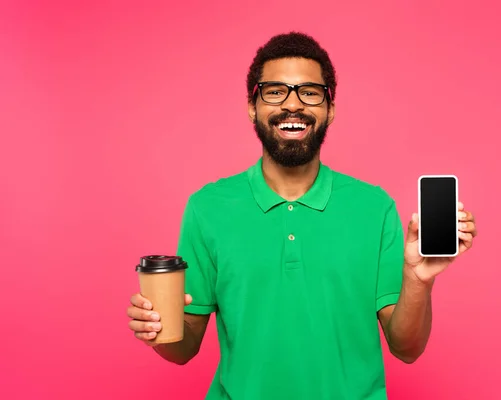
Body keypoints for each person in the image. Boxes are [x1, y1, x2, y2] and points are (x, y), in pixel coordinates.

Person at [127, 32, 477, 399]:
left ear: (330, 108)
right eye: (275, 91)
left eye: (309, 92)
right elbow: (185, 348)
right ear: (252, 106)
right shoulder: (208, 207)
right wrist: (157, 331)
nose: (293, 105)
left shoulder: (375, 207)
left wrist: (418, 280)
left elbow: (407, 348)